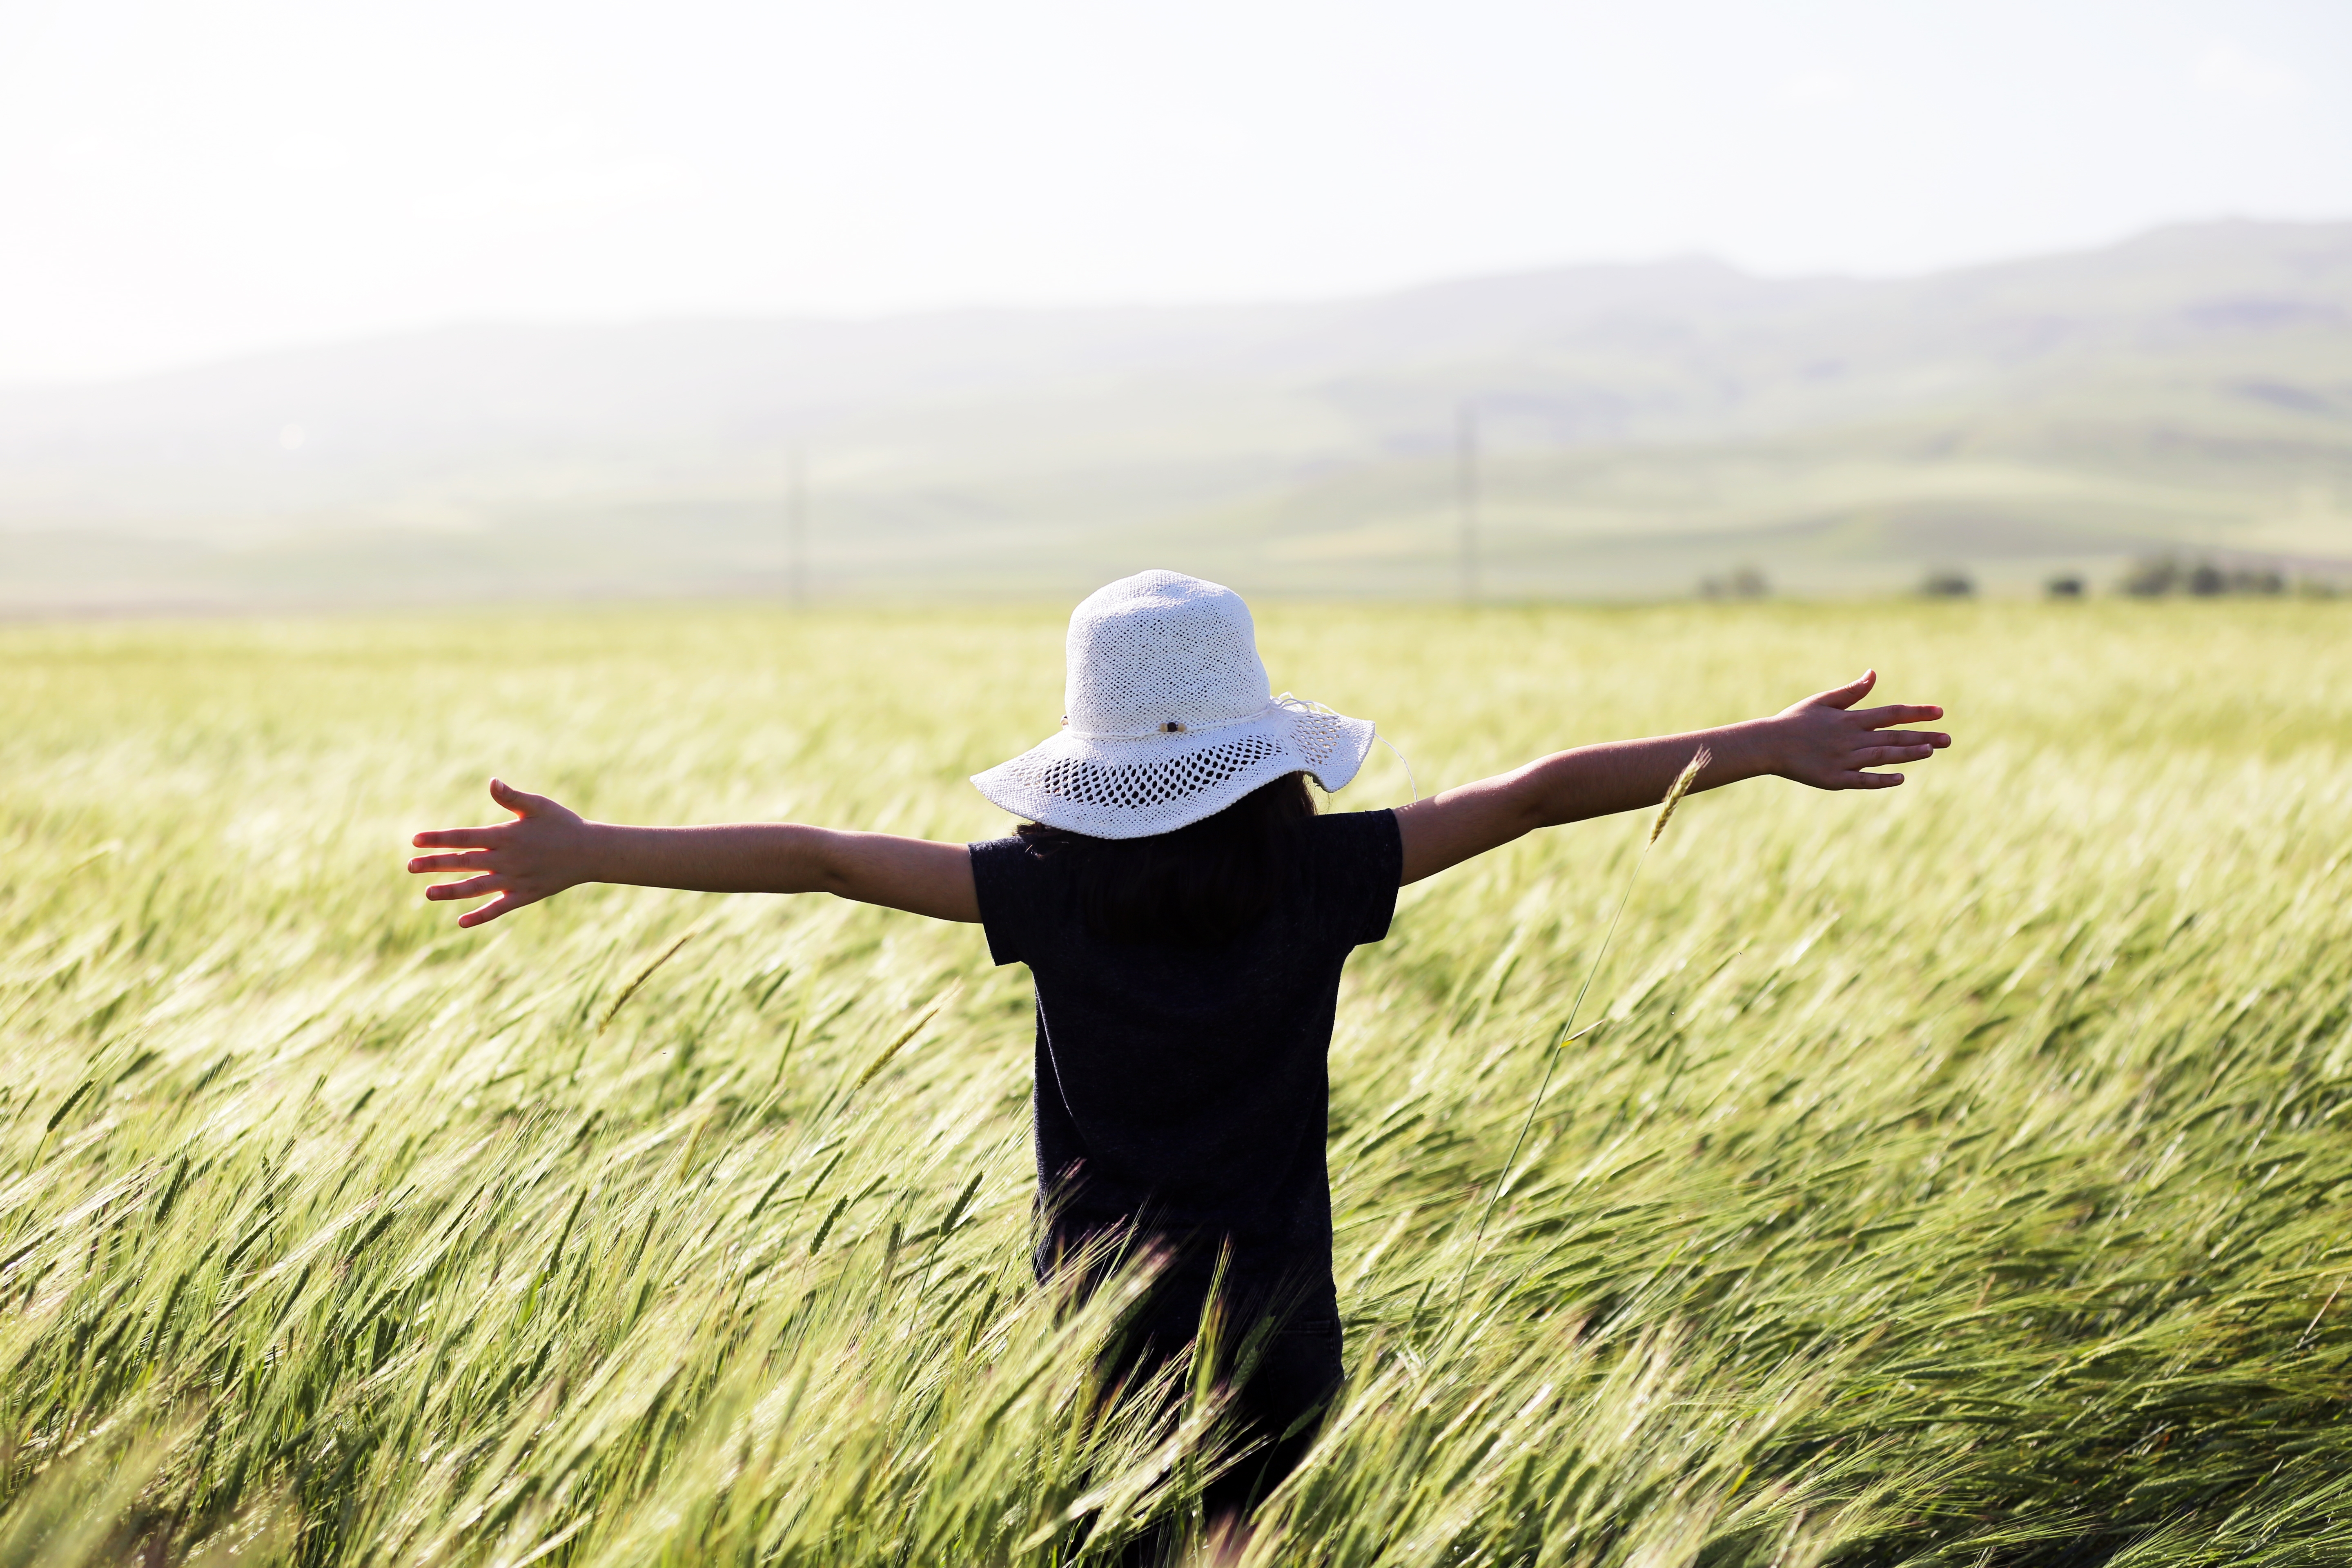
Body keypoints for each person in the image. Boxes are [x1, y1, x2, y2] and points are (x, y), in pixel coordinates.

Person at [406, 569, 1949, 1553]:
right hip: (1282, 1306)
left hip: (1097, 1317)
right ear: (1259, 751)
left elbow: (818, 858)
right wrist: (1753, 744)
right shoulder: (1329, 875)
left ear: (1091, 766)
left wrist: (595, 849)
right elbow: (1539, 793)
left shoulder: (1044, 890)